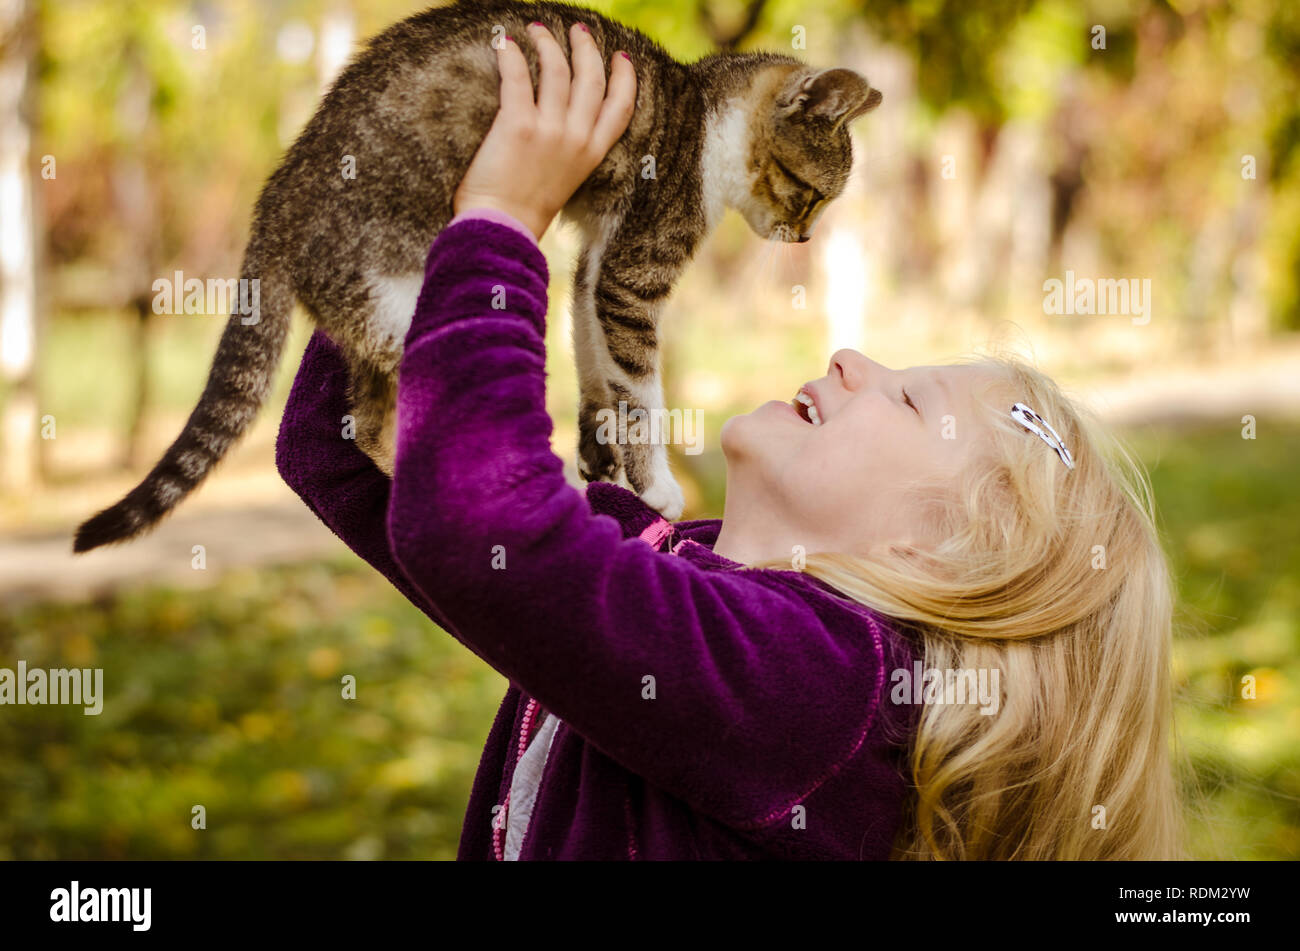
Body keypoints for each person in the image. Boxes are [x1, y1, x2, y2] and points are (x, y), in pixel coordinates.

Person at [276, 21, 1184, 859]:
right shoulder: (679, 563)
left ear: (939, 557)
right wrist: (438, 177)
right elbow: (340, 452)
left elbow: (478, 526)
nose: (852, 356)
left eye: (907, 402)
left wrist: (499, 228)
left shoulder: (833, 691)